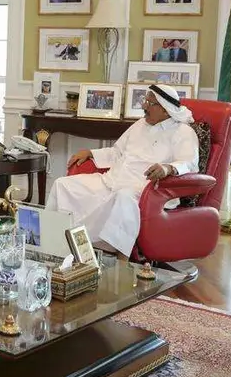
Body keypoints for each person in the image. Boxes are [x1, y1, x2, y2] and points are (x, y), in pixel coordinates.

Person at [45, 84, 198, 258]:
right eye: (145, 100)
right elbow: (117, 152)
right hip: (112, 180)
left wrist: (167, 168)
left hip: (146, 189)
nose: (144, 106)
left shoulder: (183, 132)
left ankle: (120, 262)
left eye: (150, 102)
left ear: (165, 109)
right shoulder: (141, 124)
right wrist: (91, 153)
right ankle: (55, 245)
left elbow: (190, 164)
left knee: (123, 197)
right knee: (64, 185)